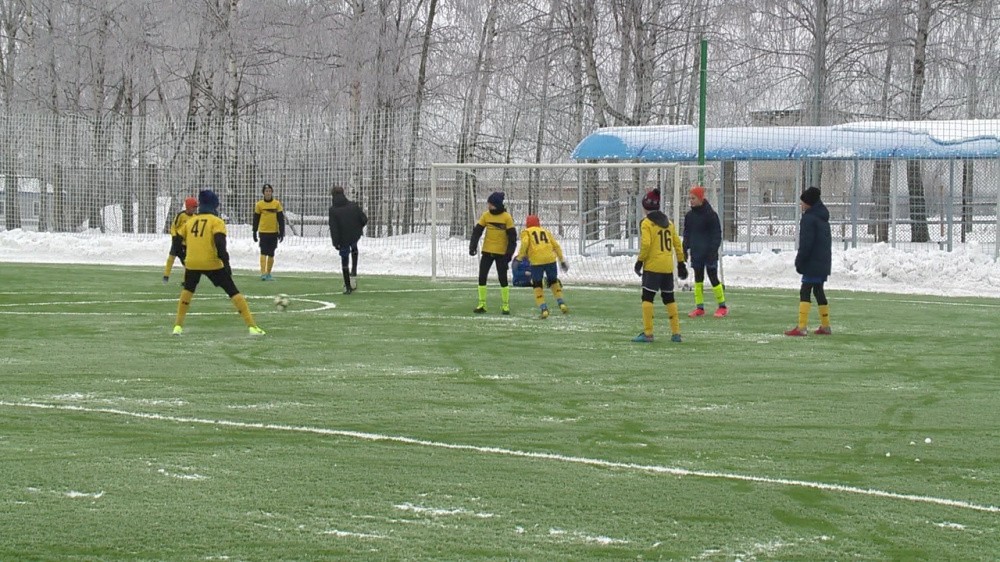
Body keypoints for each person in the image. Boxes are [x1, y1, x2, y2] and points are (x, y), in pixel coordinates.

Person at [172, 189, 265, 336]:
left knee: (187, 291)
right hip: (212, 263)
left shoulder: (190, 222)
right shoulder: (217, 222)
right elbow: (220, 244)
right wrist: (226, 265)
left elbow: (176, 241)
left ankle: (177, 326)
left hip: (192, 263)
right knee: (232, 291)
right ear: (214, 206)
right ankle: (252, 326)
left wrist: (184, 257)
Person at [633, 188, 687, 343]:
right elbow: (677, 243)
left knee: (647, 297)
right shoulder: (669, 223)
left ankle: (648, 333)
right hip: (667, 267)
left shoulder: (647, 223)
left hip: (653, 266)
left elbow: (646, 244)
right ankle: (676, 334)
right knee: (669, 298)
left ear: (645, 206)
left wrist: (640, 261)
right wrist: (681, 263)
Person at [785, 186, 832, 336]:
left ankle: (801, 327)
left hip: (813, 261)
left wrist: (800, 261)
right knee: (818, 291)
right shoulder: (822, 217)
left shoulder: (808, 218)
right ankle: (825, 326)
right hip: (823, 261)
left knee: (805, 290)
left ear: (808, 203)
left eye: (802, 203)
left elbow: (806, 243)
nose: (801, 205)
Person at [683, 185, 728, 317]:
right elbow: (687, 233)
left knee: (713, 277)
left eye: (693, 198)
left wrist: (713, 250)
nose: (691, 200)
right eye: (690, 198)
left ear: (701, 198)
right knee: (698, 279)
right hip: (697, 253)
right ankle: (699, 308)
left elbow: (717, 234)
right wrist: (685, 247)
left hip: (709, 253)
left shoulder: (711, 215)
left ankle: (722, 306)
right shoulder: (689, 216)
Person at [469, 191, 516, 314]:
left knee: (503, 279)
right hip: (487, 252)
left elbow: (512, 239)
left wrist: (508, 255)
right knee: (482, 277)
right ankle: (482, 304)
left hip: (501, 254)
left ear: (496, 204)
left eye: (490, 204)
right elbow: (477, 231)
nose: (488, 206)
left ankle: (505, 306)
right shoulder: (486, 216)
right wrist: (472, 246)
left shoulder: (507, 217)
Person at [516, 215, 569, 319]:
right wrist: (561, 259)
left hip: (536, 261)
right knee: (553, 281)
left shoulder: (526, 232)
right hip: (550, 259)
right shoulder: (545, 231)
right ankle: (561, 303)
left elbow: (525, 243)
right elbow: (556, 245)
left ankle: (544, 309)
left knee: (537, 284)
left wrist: (520, 257)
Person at [327, 185, 368, 294]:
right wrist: (357, 229)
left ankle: (347, 286)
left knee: (344, 258)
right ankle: (354, 271)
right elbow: (364, 219)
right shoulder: (353, 205)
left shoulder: (333, 210)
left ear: (333, 196)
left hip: (342, 238)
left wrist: (335, 243)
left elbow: (334, 228)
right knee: (354, 247)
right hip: (354, 234)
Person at [252, 183, 285, 281]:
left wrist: (281, 232)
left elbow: (280, 219)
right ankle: (263, 273)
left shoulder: (276, 204)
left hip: (273, 232)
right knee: (263, 251)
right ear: (263, 193)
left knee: (271, 253)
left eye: (270, 191)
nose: (268, 193)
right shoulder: (259, 205)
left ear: (272, 192)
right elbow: (256, 219)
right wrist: (254, 231)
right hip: (263, 232)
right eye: (266, 191)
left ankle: (268, 273)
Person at [163, 196, 197, 283]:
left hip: (187, 243)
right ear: (188, 207)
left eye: (196, 207)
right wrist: (174, 237)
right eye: (194, 207)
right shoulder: (181, 215)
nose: (195, 209)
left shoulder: (195, 217)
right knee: (171, 257)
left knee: (186, 261)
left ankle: (186, 280)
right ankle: (166, 276)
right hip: (177, 240)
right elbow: (174, 227)